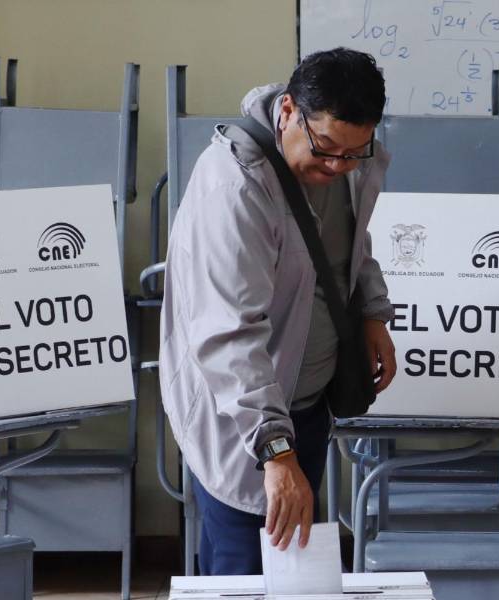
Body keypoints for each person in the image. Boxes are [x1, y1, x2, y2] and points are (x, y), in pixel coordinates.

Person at [158, 47, 397, 575]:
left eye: (354, 153)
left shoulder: (345, 160)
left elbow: (350, 246)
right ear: (288, 110)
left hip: (307, 405)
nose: (337, 166)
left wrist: (373, 313)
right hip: (244, 422)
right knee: (244, 568)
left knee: (289, 572)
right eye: (326, 148)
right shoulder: (236, 186)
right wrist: (276, 451)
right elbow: (228, 335)